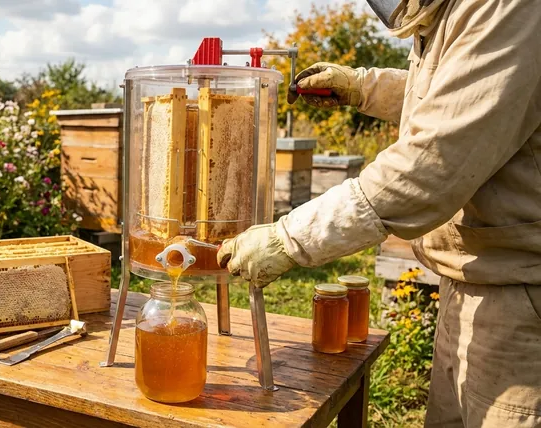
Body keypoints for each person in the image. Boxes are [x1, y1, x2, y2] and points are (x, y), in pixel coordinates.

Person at [217, 0, 541, 426]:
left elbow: (432, 163)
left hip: (522, 298)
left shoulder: (510, 7)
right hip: (471, 279)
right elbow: (455, 90)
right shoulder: (453, 14)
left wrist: (289, 238)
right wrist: (362, 87)